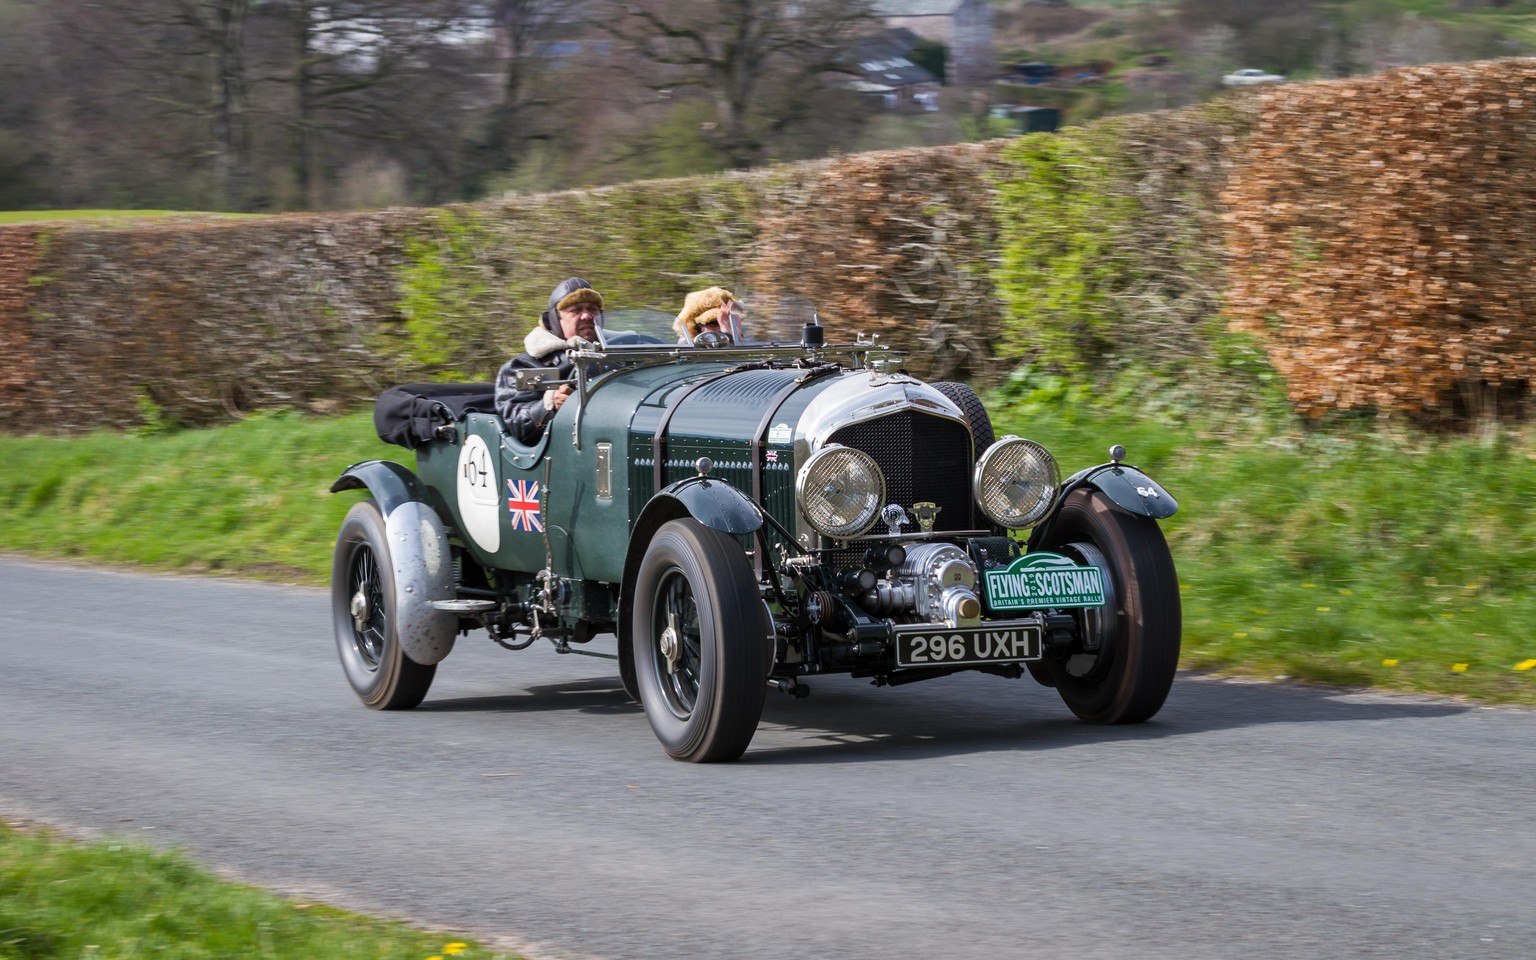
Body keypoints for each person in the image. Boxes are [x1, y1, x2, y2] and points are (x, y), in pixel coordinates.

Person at [494, 277, 605, 444]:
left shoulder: (619, 358)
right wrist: (550, 405)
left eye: (592, 309)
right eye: (575, 310)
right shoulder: (524, 366)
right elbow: (517, 424)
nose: (586, 316)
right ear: (555, 319)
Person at [673, 286, 739, 345]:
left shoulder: (740, 340)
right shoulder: (686, 344)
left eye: (729, 322)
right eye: (714, 323)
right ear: (697, 327)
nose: (720, 328)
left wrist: (729, 332)